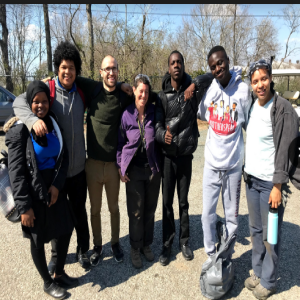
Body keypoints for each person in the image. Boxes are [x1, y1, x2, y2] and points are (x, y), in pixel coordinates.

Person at [13, 41, 91, 270]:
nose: (68, 72)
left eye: (72, 68)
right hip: (56, 173)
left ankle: (83, 250)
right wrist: (32, 120)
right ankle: (57, 259)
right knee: (57, 218)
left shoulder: (81, 93)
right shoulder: (48, 90)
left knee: (79, 213)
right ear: (58, 68)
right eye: (64, 67)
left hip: (77, 169)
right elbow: (19, 101)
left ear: (77, 70)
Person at [5, 81, 77, 299]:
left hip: (54, 190)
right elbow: (16, 172)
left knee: (65, 229)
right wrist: (24, 206)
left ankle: (59, 272)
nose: (40, 106)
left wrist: (56, 185)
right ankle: (47, 282)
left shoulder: (53, 123)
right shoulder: (20, 130)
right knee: (37, 240)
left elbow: (63, 156)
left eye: (44, 101)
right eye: (36, 101)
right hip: (33, 194)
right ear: (29, 102)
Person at [185, 45, 250, 258]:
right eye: (213, 66)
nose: (217, 68)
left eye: (220, 63)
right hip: (212, 165)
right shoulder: (211, 89)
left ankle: (227, 255)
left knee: (231, 217)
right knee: (207, 215)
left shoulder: (244, 91)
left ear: (228, 61)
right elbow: (203, 114)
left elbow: (249, 123)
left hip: (233, 167)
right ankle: (211, 255)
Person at [243, 58, 298, 299]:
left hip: (270, 185)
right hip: (252, 181)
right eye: (255, 81)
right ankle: (257, 272)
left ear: (271, 78)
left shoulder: (282, 108)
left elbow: (286, 148)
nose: (260, 85)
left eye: (264, 79)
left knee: (270, 235)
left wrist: (278, 185)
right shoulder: (253, 105)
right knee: (255, 230)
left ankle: (269, 279)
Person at [73, 55, 134, 265]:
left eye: (114, 69)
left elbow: (146, 97)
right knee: (95, 210)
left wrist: (128, 86)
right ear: (101, 72)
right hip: (92, 165)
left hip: (113, 167)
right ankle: (98, 245)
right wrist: (47, 80)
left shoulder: (124, 95)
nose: (111, 72)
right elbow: (68, 77)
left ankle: (115, 242)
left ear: (118, 70)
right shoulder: (92, 89)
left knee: (114, 208)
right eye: (107, 69)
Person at [155, 50, 213, 266]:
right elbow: (157, 125)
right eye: (173, 62)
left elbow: (211, 76)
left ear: (183, 65)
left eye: (180, 61)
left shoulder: (193, 91)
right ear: (168, 68)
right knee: (167, 203)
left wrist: (194, 83)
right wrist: (163, 135)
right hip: (168, 158)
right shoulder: (162, 96)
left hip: (186, 156)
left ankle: (185, 241)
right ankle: (167, 244)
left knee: (184, 202)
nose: (176, 65)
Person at [116, 74, 161, 269]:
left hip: (152, 169)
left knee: (149, 210)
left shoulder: (154, 111)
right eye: (140, 90)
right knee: (135, 212)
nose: (143, 94)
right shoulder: (126, 114)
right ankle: (134, 248)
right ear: (134, 90)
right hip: (133, 170)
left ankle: (146, 244)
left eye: (146, 91)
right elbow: (119, 144)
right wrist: (120, 166)